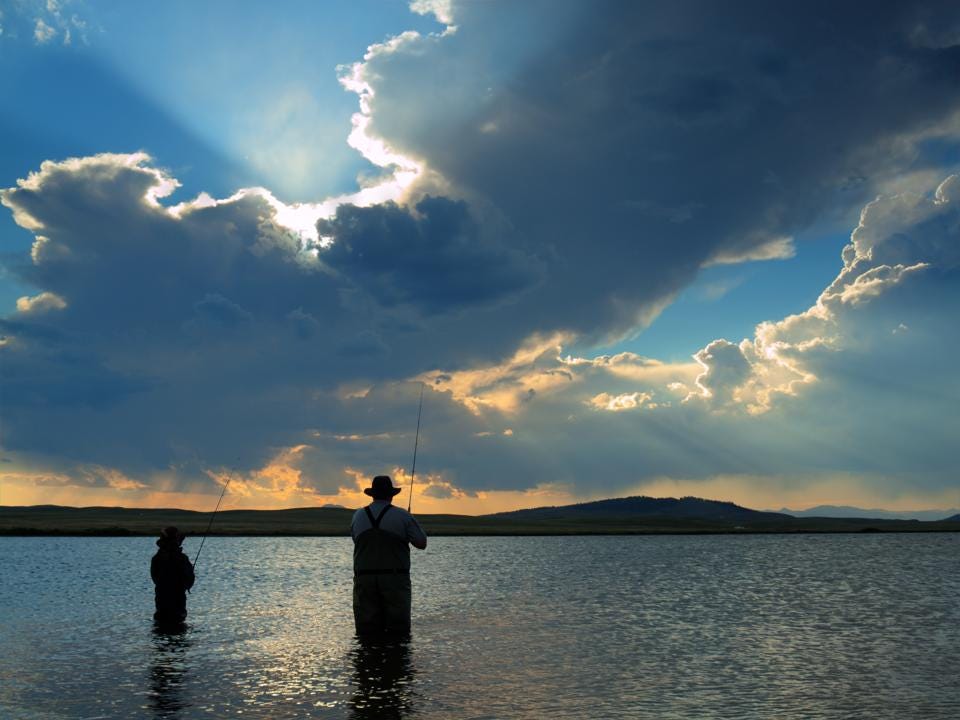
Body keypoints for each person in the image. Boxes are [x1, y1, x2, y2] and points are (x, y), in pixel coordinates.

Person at [351, 475, 427, 637]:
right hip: (395, 581)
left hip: (364, 580)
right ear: (391, 495)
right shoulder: (403, 516)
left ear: (372, 495)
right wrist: (411, 522)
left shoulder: (358, 515)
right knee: (398, 632)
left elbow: (355, 539)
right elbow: (421, 543)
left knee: (366, 633)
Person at [151, 526, 195, 624]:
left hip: (161, 607)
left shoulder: (156, 558)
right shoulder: (182, 559)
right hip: (178, 608)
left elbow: (155, 579)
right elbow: (189, 582)